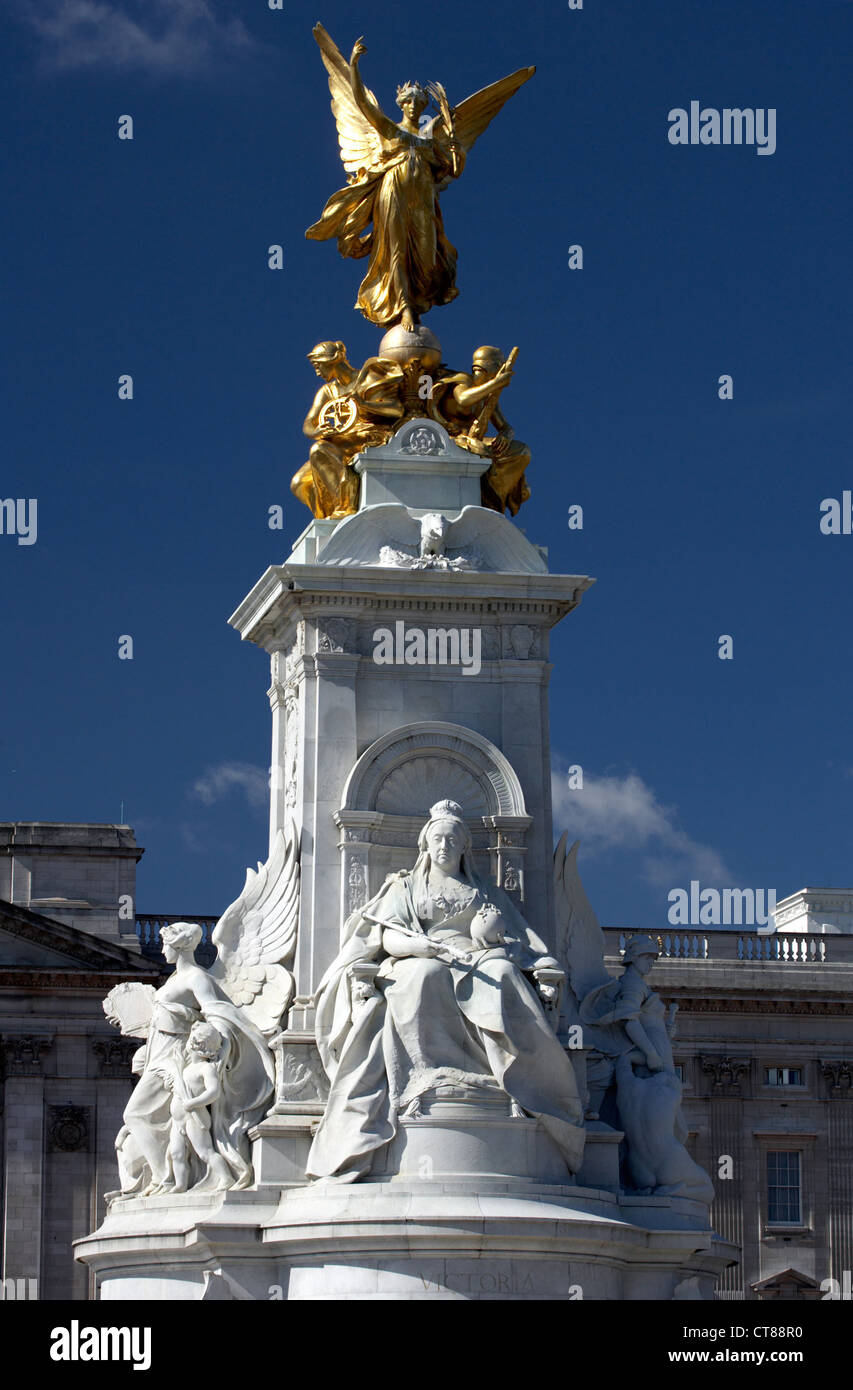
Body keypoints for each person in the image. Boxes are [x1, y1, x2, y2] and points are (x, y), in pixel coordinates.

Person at [307, 800, 584, 1181]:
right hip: (419, 955)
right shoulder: (405, 887)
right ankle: (424, 1076)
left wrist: (501, 942)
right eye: (437, 838)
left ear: (463, 846)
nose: (444, 846)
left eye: (452, 839)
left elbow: (517, 937)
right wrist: (416, 947)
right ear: (425, 844)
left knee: (503, 972)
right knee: (424, 976)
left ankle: (519, 1080)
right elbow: (388, 934)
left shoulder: (482, 890)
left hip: (476, 957)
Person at [118, 922, 273, 1195]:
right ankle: (163, 1176)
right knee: (142, 1116)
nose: (162, 949)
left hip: (173, 1058)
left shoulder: (196, 978)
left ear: (177, 947)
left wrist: (216, 1048)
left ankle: (163, 1177)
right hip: (158, 1054)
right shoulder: (173, 980)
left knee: (135, 1114)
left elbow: (217, 1013)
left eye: (166, 944)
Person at [433, 346, 531, 514]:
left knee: (521, 452)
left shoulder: (489, 393)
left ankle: (493, 502)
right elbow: (464, 399)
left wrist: (506, 435)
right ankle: (483, 499)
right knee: (482, 450)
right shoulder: (463, 380)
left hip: (473, 440)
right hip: (450, 438)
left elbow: (504, 426)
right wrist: (497, 383)